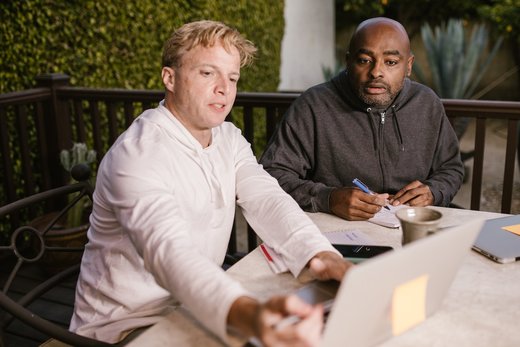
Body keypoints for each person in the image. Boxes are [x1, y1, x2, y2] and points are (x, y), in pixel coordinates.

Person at [70, 20, 350, 346]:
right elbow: (169, 254)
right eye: (207, 73)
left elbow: (267, 199)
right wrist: (251, 316)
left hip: (193, 307)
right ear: (169, 78)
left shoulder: (228, 138)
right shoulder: (138, 154)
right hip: (125, 328)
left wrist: (322, 255)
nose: (224, 88)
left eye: (232, 77)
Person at [260, 17, 464, 221]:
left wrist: (434, 191)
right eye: (364, 60)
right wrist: (328, 198)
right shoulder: (313, 106)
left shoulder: (426, 103)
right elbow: (272, 173)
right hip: (337, 233)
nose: (376, 72)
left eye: (391, 62)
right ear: (348, 61)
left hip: (412, 226)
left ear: (408, 66)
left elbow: (451, 167)